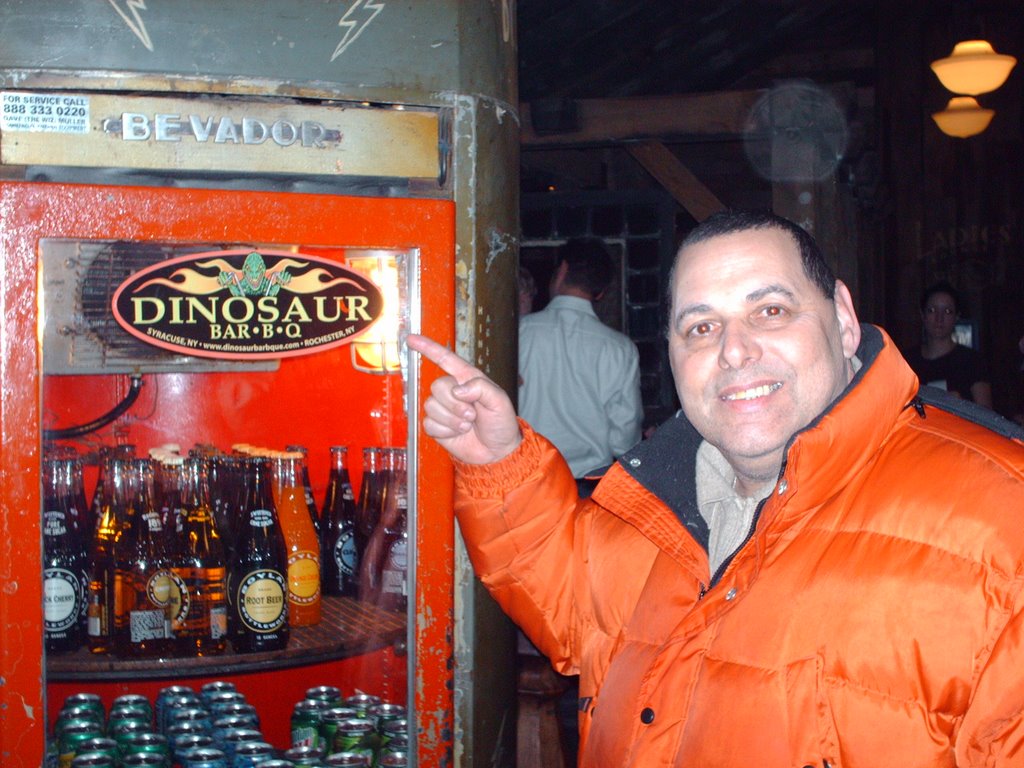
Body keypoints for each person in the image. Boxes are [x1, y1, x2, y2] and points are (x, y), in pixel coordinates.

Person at [406, 209, 1024, 766]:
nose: (734, 351)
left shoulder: (1002, 515)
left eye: (770, 311)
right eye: (701, 327)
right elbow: (574, 607)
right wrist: (500, 463)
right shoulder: (651, 500)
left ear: (842, 318)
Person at [518, 238, 643, 494]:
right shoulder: (620, 348)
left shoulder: (518, 333)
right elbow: (624, 438)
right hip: (589, 486)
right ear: (600, 293)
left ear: (562, 270)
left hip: (527, 481)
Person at [905, 280, 993, 408]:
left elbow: (986, 413)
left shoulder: (972, 361)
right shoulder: (906, 362)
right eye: (932, 310)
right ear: (923, 315)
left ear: (956, 316)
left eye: (947, 311)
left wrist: (960, 405)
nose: (939, 318)